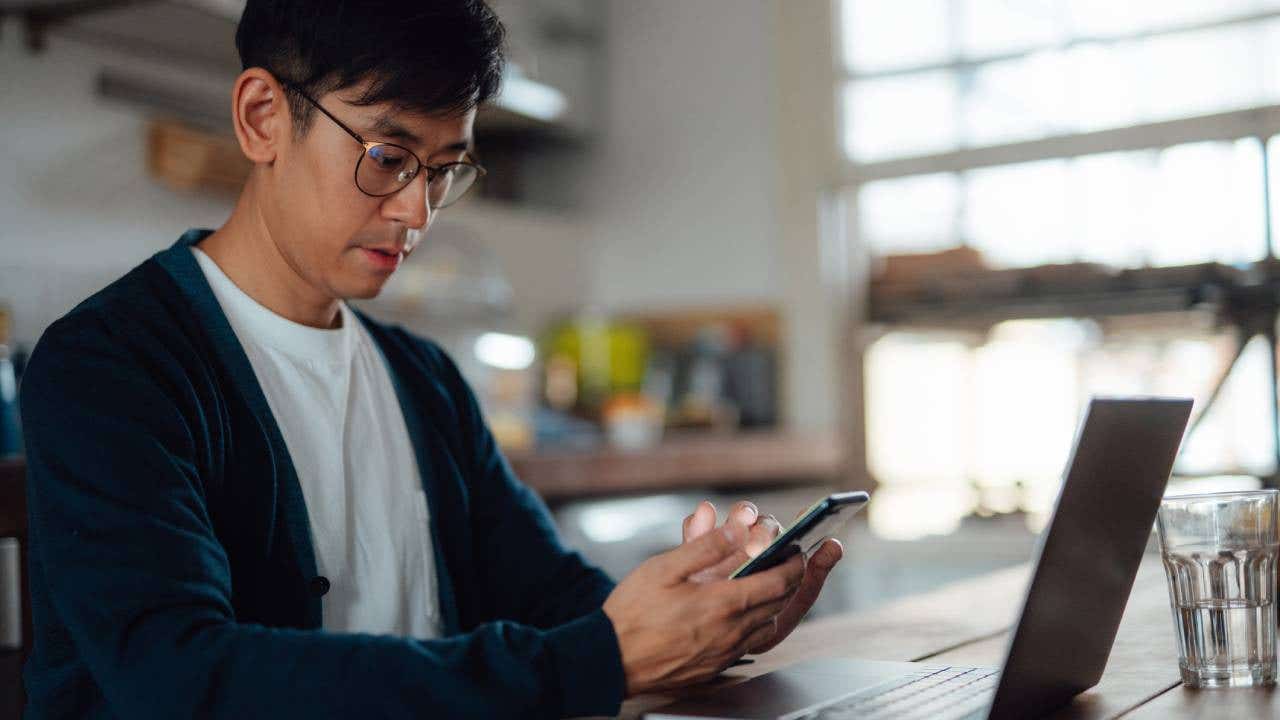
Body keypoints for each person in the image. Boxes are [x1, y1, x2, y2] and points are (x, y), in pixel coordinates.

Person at [17, 1, 843, 717]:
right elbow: (183, 681)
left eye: (446, 170)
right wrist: (604, 658)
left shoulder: (423, 379)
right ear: (264, 117)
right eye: (388, 156)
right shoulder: (112, 367)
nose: (416, 210)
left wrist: (701, 613)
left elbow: (555, 601)